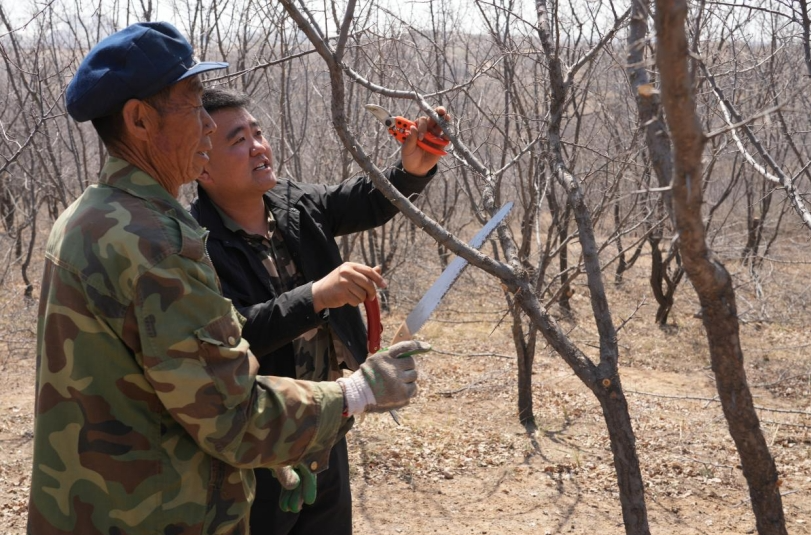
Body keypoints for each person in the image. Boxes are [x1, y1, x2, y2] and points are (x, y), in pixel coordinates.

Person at [28, 21, 427, 535]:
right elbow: (232, 415)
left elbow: (170, 389)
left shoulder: (91, 215)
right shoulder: (158, 242)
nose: (209, 125)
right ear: (139, 120)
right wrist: (360, 391)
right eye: (194, 105)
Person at [190, 87, 448, 534]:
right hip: (256, 447)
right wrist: (316, 296)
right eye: (238, 140)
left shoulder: (294, 204)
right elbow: (229, 336)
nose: (258, 147)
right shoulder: (195, 244)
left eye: (258, 133)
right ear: (202, 166)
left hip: (328, 426)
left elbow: (364, 199)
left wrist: (410, 170)